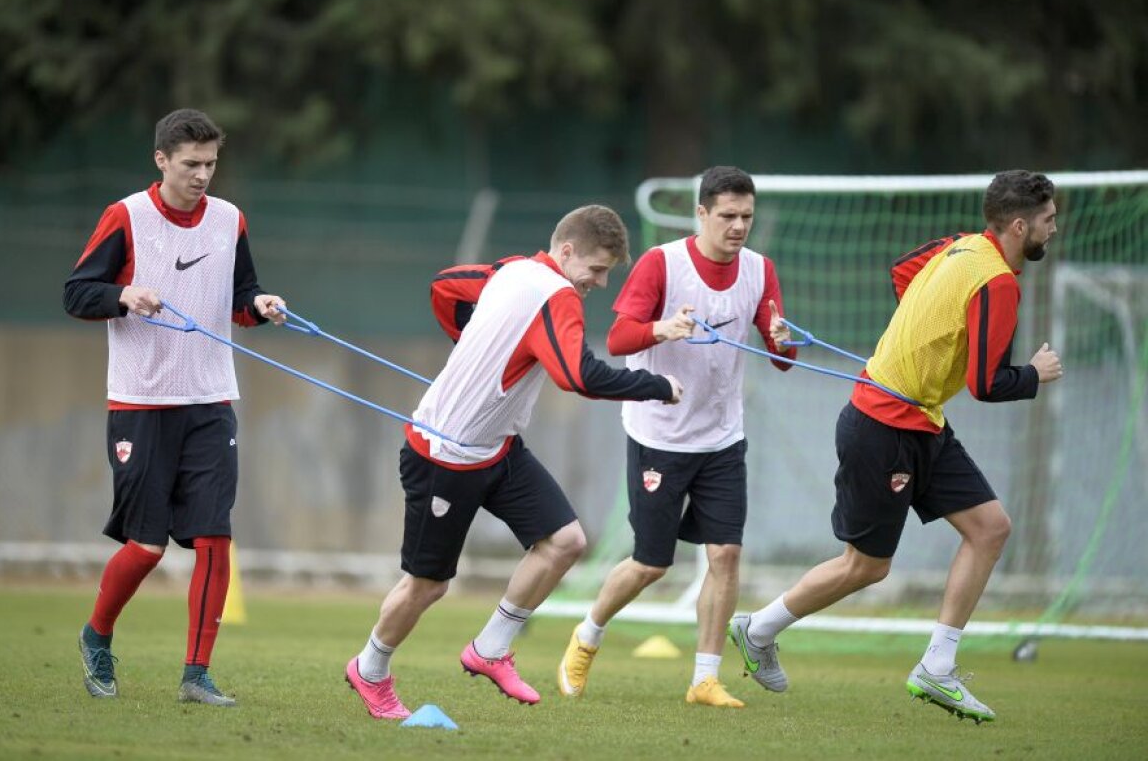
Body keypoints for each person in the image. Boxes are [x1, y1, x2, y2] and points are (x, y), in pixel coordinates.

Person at [726, 169, 1064, 723]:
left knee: (990, 527)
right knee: (866, 567)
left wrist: (928, 329)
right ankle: (757, 629)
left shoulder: (959, 247)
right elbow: (987, 384)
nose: (1053, 230)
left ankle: (936, 667)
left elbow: (903, 273)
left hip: (923, 421)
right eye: (1048, 221)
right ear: (1020, 224)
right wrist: (1036, 373)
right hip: (882, 427)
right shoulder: (998, 282)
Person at [344, 205, 683, 720]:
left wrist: (477, 341)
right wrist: (657, 387)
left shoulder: (510, 269)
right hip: (444, 456)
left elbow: (447, 286)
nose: (600, 281)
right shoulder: (558, 295)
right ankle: (369, 670)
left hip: (499, 448)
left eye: (608, 272)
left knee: (564, 542)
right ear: (566, 252)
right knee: (428, 584)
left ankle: (490, 649)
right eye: (595, 268)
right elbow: (579, 376)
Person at [63, 108, 287, 707]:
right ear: (161, 160)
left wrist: (260, 304)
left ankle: (196, 675)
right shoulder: (126, 216)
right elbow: (77, 293)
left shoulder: (229, 220)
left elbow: (239, 298)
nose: (203, 175)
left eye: (211, 164)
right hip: (140, 402)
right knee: (146, 546)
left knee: (215, 539)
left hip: (211, 402)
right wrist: (123, 295)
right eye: (191, 164)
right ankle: (97, 636)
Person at [556, 166, 796, 708]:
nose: (738, 227)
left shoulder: (760, 270)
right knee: (651, 564)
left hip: (722, 439)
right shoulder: (662, 263)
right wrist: (662, 328)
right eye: (728, 216)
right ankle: (588, 635)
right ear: (702, 214)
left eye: (747, 217)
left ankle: (705, 679)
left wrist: (783, 341)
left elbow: (782, 357)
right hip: (659, 435)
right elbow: (617, 339)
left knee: (727, 555)